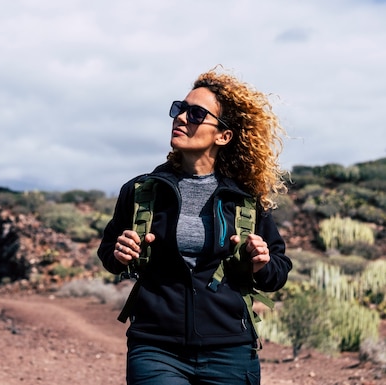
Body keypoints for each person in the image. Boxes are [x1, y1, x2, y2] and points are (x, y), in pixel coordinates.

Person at [97, 67, 292, 385]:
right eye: (180, 109)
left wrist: (262, 263)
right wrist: (119, 253)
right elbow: (108, 252)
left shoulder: (243, 200)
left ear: (223, 135)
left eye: (197, 113)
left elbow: (278, 272)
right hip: (155, 348)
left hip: (230, 352)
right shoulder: (141, 191)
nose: (182, 117)